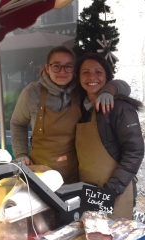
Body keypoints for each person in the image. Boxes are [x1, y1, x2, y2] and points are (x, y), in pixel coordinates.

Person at [10, 46, 131, 184]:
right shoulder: (32, 93)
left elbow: (125, 87)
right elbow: (17, 123)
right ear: (47, 68)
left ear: (74, 70)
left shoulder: (81, 89)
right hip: (39, 175)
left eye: (68, 66)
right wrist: (20, 154)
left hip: (75, 175)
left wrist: (109, 90)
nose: (62, 71)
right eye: (56, 66)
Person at [75, 53, 145, 220]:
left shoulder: (119, 107)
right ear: (78, 78)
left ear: (107, 77)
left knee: (115, 239)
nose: (92, 77)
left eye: (98, 72)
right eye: (85, 72)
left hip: (115, 191)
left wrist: (112, 189)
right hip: (88, 190)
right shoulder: (83, 109)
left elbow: (134, 151)